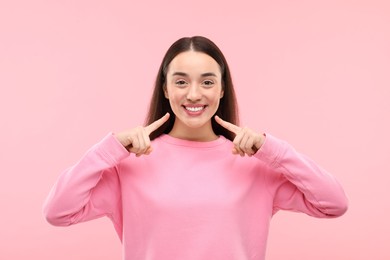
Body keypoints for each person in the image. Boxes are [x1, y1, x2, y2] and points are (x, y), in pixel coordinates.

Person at [43, 36, 348, 260]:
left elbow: (333, 203)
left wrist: (273, 150)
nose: (193, 94)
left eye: (206, 82)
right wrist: (109, 149)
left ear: (222, 88)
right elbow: (58, 212)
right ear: (165, 88)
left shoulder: (257, 165)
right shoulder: (130, 166)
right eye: (180, 82)